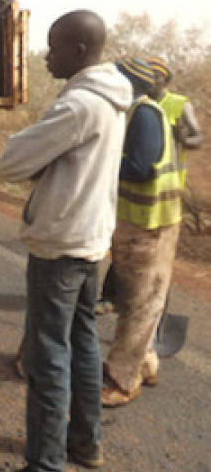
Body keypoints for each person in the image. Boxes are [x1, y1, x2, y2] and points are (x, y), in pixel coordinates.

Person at [0, 10, 132, 471]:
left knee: (47, 356)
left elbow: (11, 162)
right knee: (83, 343)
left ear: (77, 51)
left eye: (53, 47)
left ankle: (45, 462)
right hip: (91, 239)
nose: (46, 55)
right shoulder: (114, 98)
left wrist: (36, 157)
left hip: (60, 244)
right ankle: (84, 443)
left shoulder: (77, 106)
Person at [102, 57, 185, 408]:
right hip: (142, 220)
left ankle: (123, 380)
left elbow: (140, 167)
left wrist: (98, 160)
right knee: (142, 300)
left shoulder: (144, 115)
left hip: (149, 224)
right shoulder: (136, 112)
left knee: (139, 307)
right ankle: (147, 364)